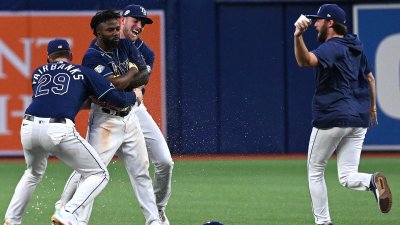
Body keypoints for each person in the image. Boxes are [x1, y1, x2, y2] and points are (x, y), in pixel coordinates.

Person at [3, 39, 142, 225]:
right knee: (99, 174)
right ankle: (67, 212)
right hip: (58, 129)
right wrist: (134, 96)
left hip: (28, 127)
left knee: (33, 173)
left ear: (48, 58)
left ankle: (12, 220)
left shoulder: (38, 73)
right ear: (71, 56)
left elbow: (56, 99)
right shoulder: (82, 71)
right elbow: (116, 99)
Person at [54, 10, 161, 225]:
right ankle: (71, 215)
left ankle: (154, 221)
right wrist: (130, 74)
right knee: (92, 173)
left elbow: (144, 73)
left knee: (141, 172)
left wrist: (125, 78)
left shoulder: (124, 43)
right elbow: (117, 85)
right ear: (97, 32)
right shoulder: (92, 56)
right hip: (106, 122)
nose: (115, 33)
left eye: (116, 27)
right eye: (109, 29)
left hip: (129, 118)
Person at [294, 4, 392, 225]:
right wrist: (372, 109)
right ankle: (371, 181)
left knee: (315, 171)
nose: (315, 24)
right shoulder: (355, 47)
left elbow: (304, 61)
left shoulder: (333, 47)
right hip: (358, 119)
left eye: (319, 20)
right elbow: (370, 79)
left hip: (333, 116)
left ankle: (323, 222)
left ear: (330, 23)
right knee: (347, 176)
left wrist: (297, 35)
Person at [120, 4, 174, 225]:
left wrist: (136, 89)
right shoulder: (106, 43)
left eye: (142, 23)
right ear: (122, 20)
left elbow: (139, 90)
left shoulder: (146, 52)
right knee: (92, 167)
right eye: (135, 20)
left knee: (165, 162)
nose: (139, 25)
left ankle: (158, 209)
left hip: (134, 110)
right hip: (107, 115)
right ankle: (66, 209)